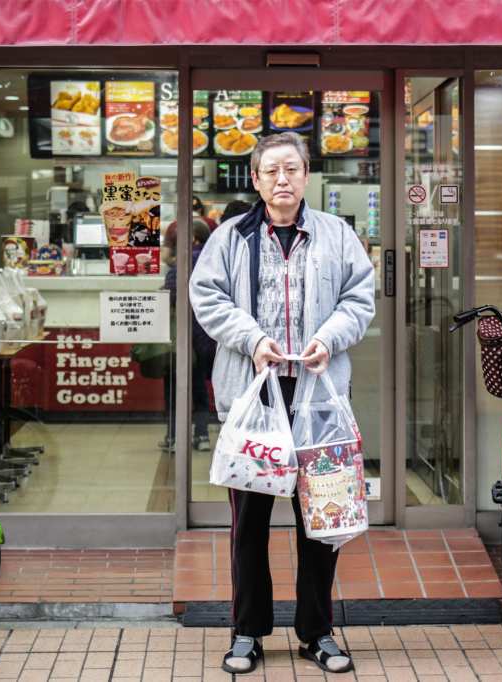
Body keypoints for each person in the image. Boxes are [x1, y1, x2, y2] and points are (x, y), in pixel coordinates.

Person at [190, 132, 374, 675]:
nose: (282, 180)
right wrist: (252, 339)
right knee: (249, 523)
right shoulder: (230, 238)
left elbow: (359, 297)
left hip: (317, 396)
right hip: (255, 400)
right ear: (256, 179)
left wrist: (330, 338)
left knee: (320, 518)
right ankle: (247, 631)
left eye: (291, 169)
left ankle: (317, 632)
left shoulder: (337, 235)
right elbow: (207, 297)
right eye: (271, 171)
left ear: (307, 174)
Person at [159, 219, 215, 451]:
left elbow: (171, 296)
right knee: (200, 385)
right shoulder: (215, 261)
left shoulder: (181, 263)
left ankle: (173, 437)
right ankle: (201, 435)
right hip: (208, 336)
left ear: (190, 239)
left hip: (183, 336)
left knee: (174, 385)